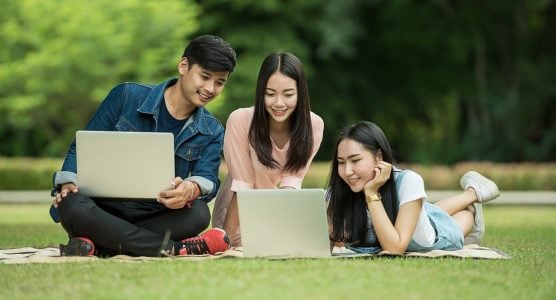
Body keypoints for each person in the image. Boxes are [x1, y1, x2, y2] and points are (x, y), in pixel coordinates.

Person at [51, 35, 237, 257]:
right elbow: (80, 148)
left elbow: (206, 178)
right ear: (183, 66)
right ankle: (177, 249)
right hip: (101, 207)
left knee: (198, 213)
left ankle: (99, 243)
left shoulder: (212, 129)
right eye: (204, 77)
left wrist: (191, 189)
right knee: (71, 204)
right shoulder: (126, 95)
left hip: (157, 213)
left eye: (219, 82)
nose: (210, 88)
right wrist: (69, 182)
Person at [327, 121, 500, 255]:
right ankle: (472, 192)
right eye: (341, 163)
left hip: (434, 234)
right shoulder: (340, 190)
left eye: (355, 160)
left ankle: (472, 197)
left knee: (460, 216)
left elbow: (394, 248)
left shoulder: (408, 181)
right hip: (419, 214)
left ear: (379, 156)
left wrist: (372, 193)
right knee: (427, 210)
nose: (347, 171)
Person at [211, 52, 325, 248]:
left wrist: (285, 229)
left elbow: (291, 184)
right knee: (239, 246)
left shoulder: (313, 125)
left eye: (288, 94)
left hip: (273, 204)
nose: (279, 103)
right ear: (260, 92)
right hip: (235, 208)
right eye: (270, 94)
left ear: (300, 93)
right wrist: (228, 242)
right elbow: (242, 186)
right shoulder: (240, 120)